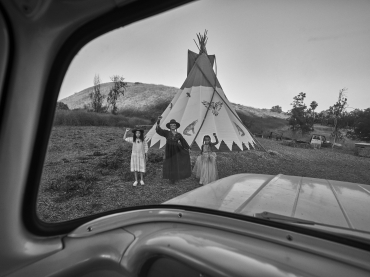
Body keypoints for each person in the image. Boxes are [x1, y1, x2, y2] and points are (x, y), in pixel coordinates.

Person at [156, 117, 191, 184]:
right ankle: (170, 177)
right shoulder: (166, 133)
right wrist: (158, 122)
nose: (173, 126)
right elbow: (158, 130)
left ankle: (175, 177)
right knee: (169, 163)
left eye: (174, 125)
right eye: (171, 125)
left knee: (175, 163)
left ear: (176, 126)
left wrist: (188, 148)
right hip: (169, 150)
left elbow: (183, 142)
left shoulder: (178, 134)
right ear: (169, 126)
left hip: (176, 150)